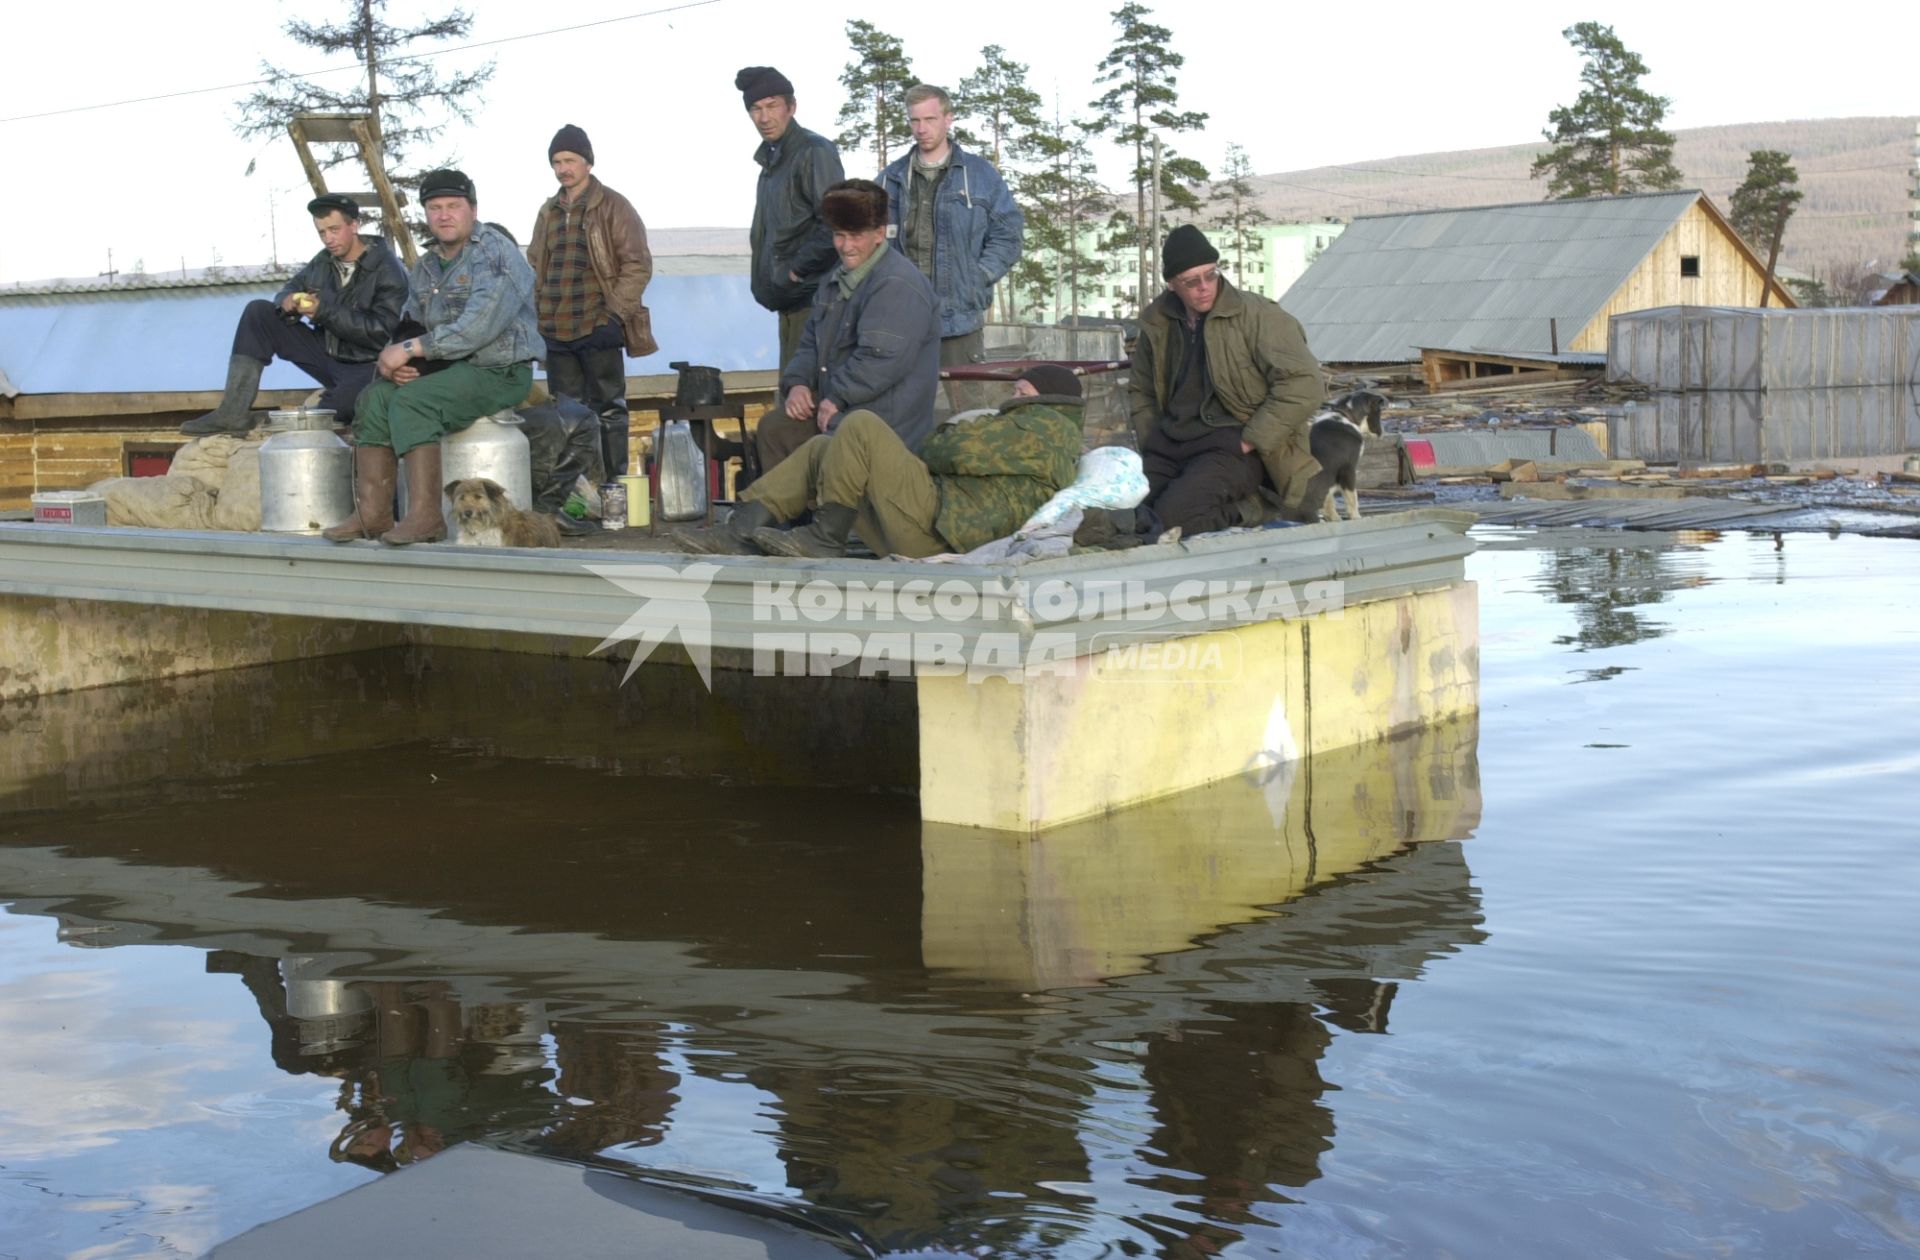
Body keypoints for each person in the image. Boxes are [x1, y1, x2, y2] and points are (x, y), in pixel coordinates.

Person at [322, 169, 540, 546]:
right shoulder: (426, 265)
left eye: (454, 206)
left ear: (473, 209)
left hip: (498, 368)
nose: (444, 215)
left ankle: (426, 516)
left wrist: (409, 351)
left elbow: (479, 327)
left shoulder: (496, 254)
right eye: (434, 207)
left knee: (414, 402)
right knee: (373, 399)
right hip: (448, 368)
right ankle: (373, 512)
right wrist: (403, 365)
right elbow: (411, 323)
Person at [675, 363, 1083, 560]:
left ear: (1045, 398)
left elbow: (946, 450)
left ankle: (823, 540)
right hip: (938, 521)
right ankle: (741, 532)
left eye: (1021, 390)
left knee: (862, 425)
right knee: (823, 449)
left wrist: (955, 436)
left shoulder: (1045, 427)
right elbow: (955, 454)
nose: (1011, 398)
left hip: (945, 532)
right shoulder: (1036, 431)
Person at [1128, 225, 1331, 533]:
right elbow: (1140, 390)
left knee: (1171, 521)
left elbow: (1304, 383)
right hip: (1170, 444)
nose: (1204, 286)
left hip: (1232, 444)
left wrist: (1251, 439)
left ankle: (1252, 509)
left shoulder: (1259, 316)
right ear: (1171, 284)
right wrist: (1151, 438)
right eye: (1191, 281)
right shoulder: (1158, 324)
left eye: (1211, 274)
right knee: (1131, 516)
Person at [754, 179, 940, 475]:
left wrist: (837, 397)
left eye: (855, 235)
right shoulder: (834, 280)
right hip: (844, 404)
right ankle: (787, 519)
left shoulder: (897, 284)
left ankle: (827, 519)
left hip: (883, 417)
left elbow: (880, 360)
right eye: (839, 235)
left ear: (879, 233)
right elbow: (810, 343)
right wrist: (798, 383)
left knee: (833, 443)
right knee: (776, 429)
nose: (846, 246)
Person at [182, 193, 408, 435]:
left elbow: (380, 333)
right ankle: (232, 413)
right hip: (328, 353)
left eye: (334, 229)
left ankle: (304, 418)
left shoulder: (388, 268)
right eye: (321, 232)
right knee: (259, 311)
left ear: (354, 225)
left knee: (333, 412)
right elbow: (290, 288)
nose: (328, 239)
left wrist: (322, 311)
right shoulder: (324, 261)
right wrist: (286, 301)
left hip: (368, 364)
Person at [528, 123, 656, 477]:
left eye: (570, 159)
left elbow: (637, 264)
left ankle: (612, 487)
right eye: (557, 161)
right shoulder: (548, 211)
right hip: (556, 326)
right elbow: (536, 265)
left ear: (587, 163)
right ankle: (577, 494)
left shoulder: (613, 205)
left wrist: (614, 315)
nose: (563, 168)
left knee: (609, 410)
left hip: (597, 322)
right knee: (566, 415)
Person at [878, 85, 1023, 370]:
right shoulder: (888, 180)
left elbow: (1009, 235)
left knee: (966, 412)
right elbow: (867, 242)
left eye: (930, 119)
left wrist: (976, 277)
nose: (921, 128)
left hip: (959, 322)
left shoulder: (980, 176)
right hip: (901, 322)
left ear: (948, 119)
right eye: (914, 120)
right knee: (905, 411)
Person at [738, 65, 844, 378]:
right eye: (755, 109)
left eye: (772, 106)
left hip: (814, 298)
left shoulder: (814, 151)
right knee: (793, 391)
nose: (764, 117)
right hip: (791, 299)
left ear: (791, 107)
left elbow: (834, 222)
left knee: (804, 396)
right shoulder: (772, 160)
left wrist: (796, 270)